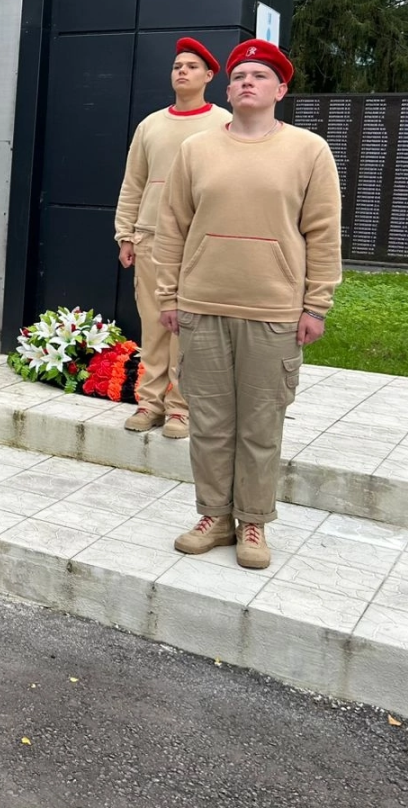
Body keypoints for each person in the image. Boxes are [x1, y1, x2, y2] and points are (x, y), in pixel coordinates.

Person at [154, 39, 341, 569]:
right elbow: (172, 229)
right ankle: (214, 516)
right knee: (210, 420)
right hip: (202, 305)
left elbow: (324, 233)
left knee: (260, 423)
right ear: (227, 89)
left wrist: (316, 304)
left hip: (274, 310)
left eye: (259, 76)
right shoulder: (196, 150)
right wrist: (169, 294)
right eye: (238, 77)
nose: (246, 83)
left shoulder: (309, 151)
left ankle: (253, 521)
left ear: (281, 89)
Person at [114, 38, 231, 439]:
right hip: (150, 239)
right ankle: (150, 404)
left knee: (189, 326)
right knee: (154, 324)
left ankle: (182, 409)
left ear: (209, 76)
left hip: (199, 243)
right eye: (177, 65)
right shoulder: (151, 125)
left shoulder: (223, 123)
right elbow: (134, 183)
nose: (182, 71)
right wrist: (125, 234)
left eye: (192, 67)